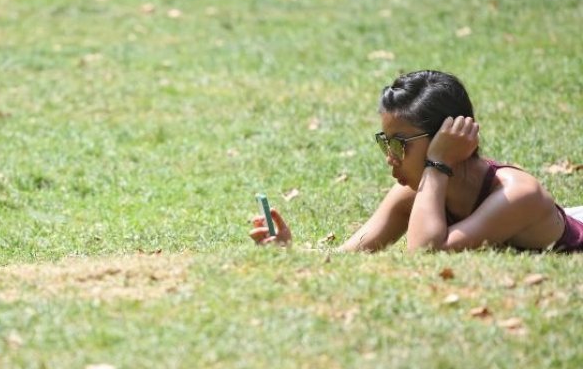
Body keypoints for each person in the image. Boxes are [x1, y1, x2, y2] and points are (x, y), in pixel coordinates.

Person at [250, 70, 583, 253]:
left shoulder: (518, 194)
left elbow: (425, 253)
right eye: (385, 143)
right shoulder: (418, 193)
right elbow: (350, 255)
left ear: (448, 138)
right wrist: (289, 250)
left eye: (400, 144)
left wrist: (437, 164)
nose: (391, 158)